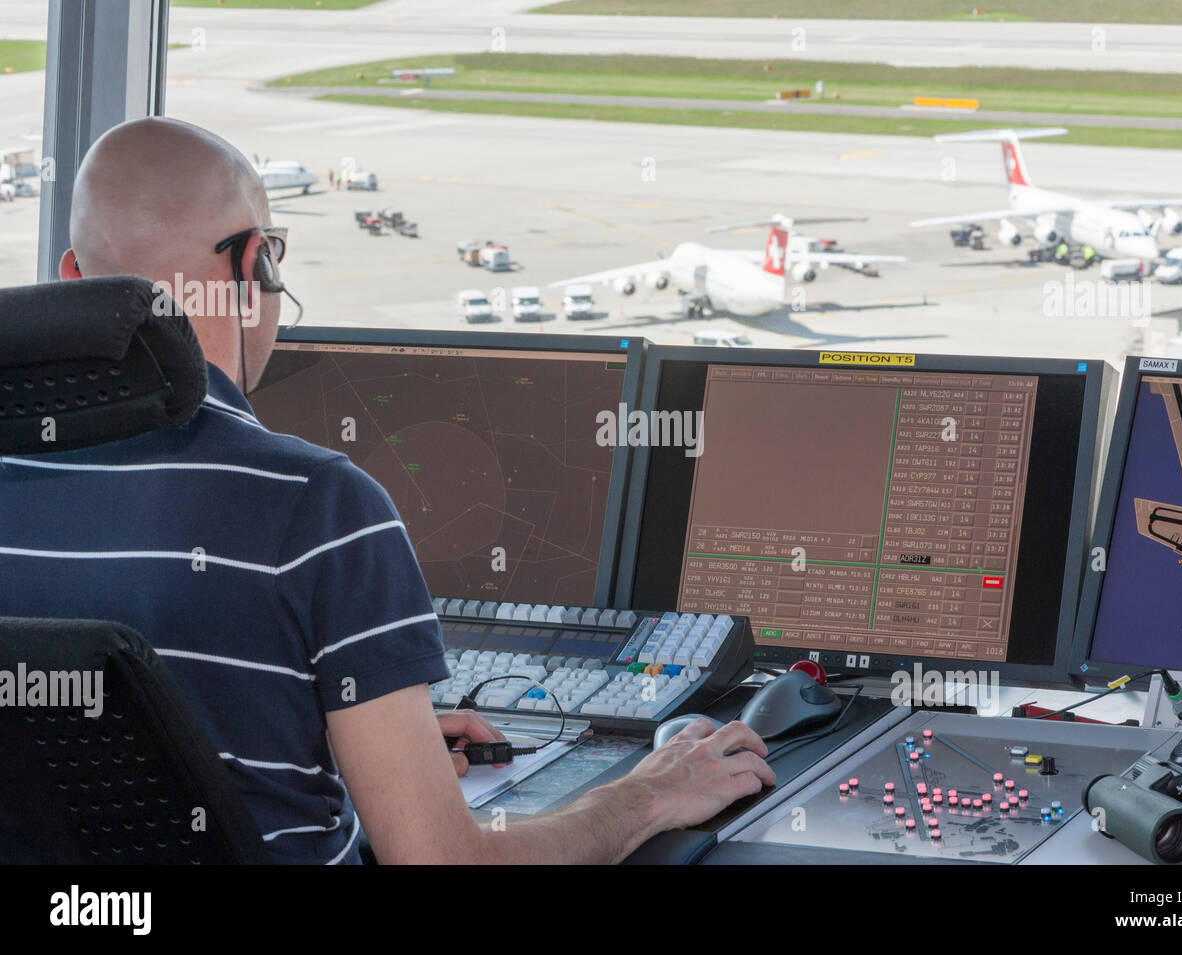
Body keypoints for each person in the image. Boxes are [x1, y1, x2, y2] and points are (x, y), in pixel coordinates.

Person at [1, 116, 774, 864]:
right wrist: (645, 797)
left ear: (75, 280)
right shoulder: (319, 506)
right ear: (252, 267)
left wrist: (353, 742)